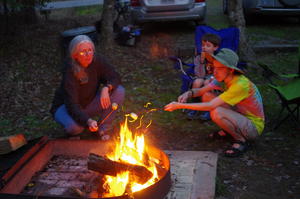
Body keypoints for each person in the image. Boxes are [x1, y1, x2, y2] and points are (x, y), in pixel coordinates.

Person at [165, 48, 265, 157]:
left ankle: (240, 140)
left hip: (252, 127)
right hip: (239, 115)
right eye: (214, 67)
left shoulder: (240, 85)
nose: (215, 71)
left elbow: (211, 106)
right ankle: (229, 130)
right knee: (207, 96)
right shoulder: (222, 78)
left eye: (219, 68)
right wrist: (188, 93)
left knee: (216, 111)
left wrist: (179, 105)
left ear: (230, 70)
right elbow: (201, 91)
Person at [50, 35, 125, 140]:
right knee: (75, 128)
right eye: (82, 52)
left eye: (90, 50)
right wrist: (88, 121)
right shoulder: (70, 70)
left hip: (88, 102)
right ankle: (75, 130)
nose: (87, 55)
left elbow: (114, 76)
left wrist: (106, 88)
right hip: (65, 107)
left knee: (119, 91)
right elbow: (72, 105)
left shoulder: (97, 60)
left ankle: (103, 129)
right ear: (75, 55)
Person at [187, 33, 221, 120]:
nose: (204, 47)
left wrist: (212, 77)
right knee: (197, 82)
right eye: (203, 45)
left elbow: (220, 73)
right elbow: (199, 75)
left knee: (207, 82)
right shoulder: (199, 57)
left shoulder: (219, 58)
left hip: (214, 78)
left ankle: (208, 109)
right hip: (202, 76)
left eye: (208, 45)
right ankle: (194, 106)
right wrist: (202, 62)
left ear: (215, 47)